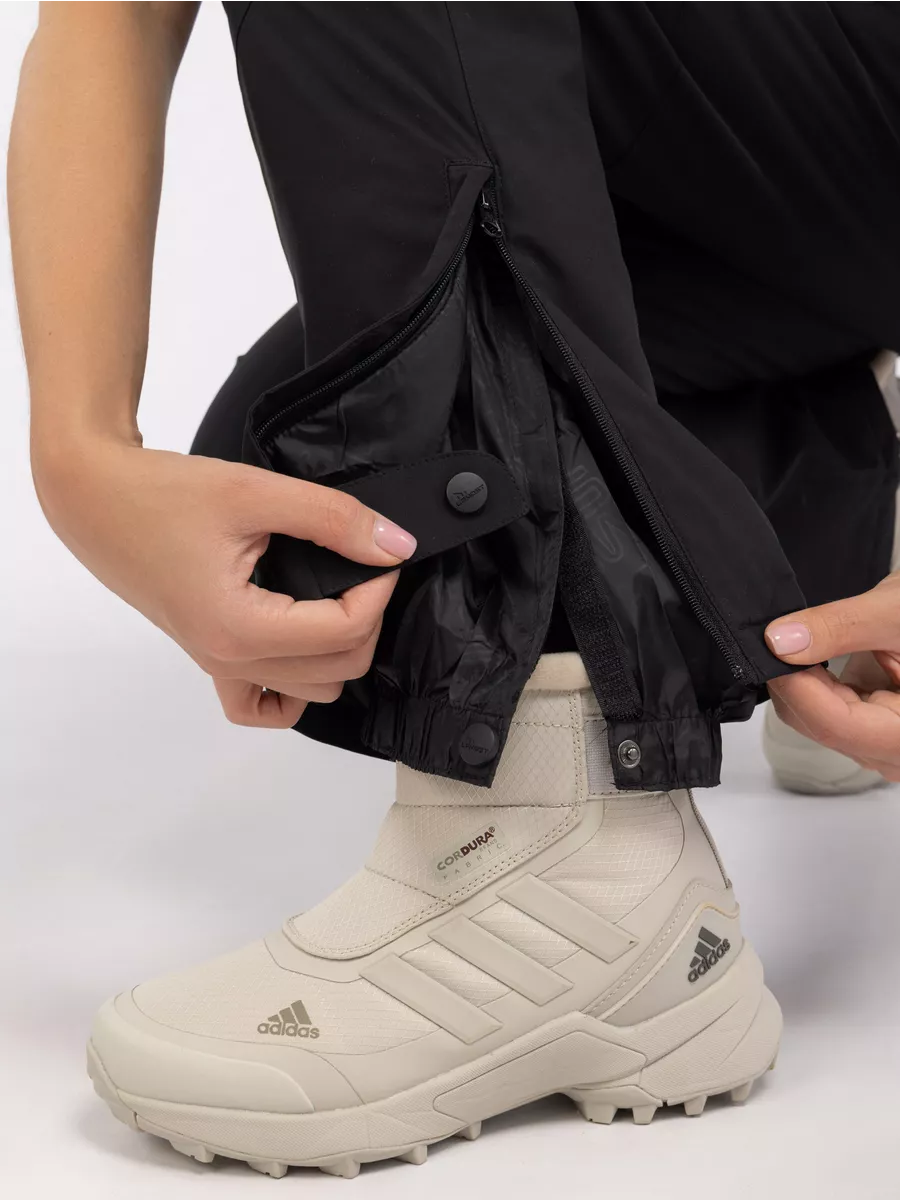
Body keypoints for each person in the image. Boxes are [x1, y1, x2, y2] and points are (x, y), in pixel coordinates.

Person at [8, 0, 900, 1179]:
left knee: (403, 446)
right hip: (762, 187)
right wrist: (82, 460)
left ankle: (572, 856)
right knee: (311, 481)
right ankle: (834, 523)